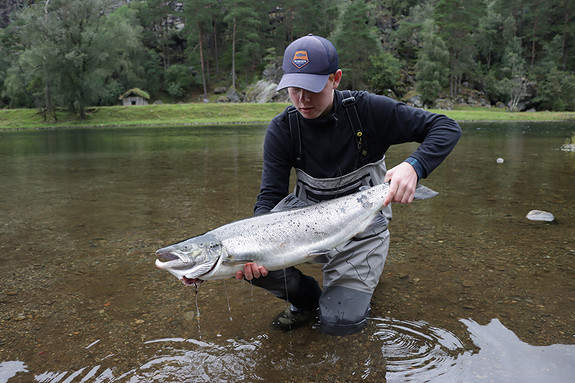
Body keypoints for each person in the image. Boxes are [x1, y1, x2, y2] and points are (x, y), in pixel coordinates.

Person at [235, 34, 461, 336]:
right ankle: (306, 301)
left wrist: (414, 166)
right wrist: (253, 246)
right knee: (254, 270)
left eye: (311, 88)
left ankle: (351, 285)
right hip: (305, 232)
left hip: (361, 234)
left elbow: (445, 126)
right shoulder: (283, 129)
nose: (302, 99)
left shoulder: (368, 111)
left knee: (339, 324)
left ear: (335, 78)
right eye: (293, 88)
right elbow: (270, 198)